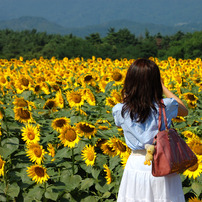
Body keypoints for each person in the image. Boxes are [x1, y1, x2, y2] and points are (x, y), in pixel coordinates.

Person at [112, 58, 188, 202]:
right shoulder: (166, 105)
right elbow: (184, 110)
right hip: (163, 164)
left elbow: (119, 124)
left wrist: (128, 97)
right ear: (155, 82)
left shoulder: (120, 109)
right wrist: (163, 87)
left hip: (136, 164)